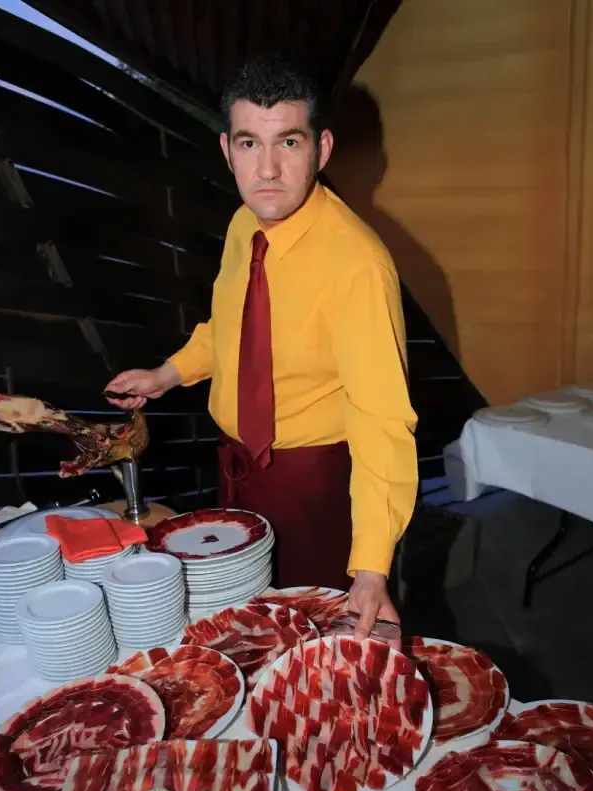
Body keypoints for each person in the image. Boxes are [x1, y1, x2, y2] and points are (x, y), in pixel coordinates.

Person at [106, 55, 417, 642]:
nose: (267, 169)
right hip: (239, 473)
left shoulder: (358, 265)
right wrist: (168, 375)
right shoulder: (243, 224)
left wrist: (371, 566)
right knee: (245, 635)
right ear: (227, 149)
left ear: (321, 150)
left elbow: (383, 420)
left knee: (312, 651)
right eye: (250, 143)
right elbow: (232, 328)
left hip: (315, 491)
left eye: (288, 142)